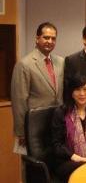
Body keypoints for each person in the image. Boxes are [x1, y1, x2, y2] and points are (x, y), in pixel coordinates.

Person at [11, 22, 64, 155]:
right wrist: (21, 132)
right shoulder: (24, 64)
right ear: (37, 38)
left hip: (57, 124)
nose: (50, 41)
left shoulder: (61, 62)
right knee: (34, 166)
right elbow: (19, 101)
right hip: (34, 127)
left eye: (53, 38)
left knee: (54, 163)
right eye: (46, 37)